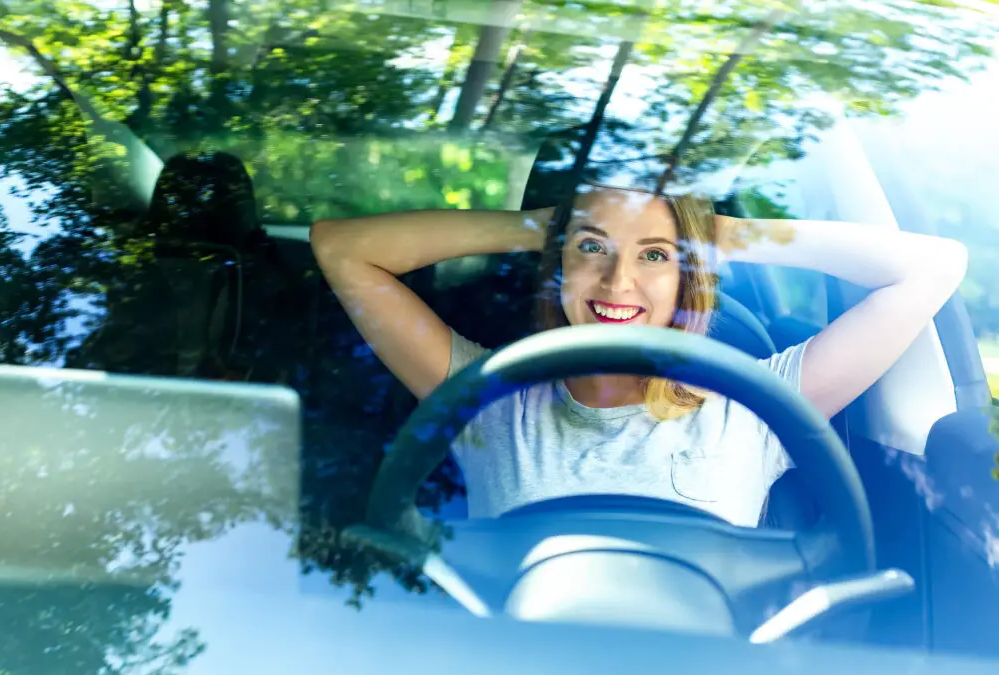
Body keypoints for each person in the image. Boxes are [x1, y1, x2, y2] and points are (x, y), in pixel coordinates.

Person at [309, 161, 967, 528]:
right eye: (592, 248)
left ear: (689, 277)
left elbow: (935, 268)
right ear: (557, 262)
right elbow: (341, 248)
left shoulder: (760, 408)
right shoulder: (489, 397)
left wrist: (723, 234)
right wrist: (539, 226)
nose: (616, 280)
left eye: (655, 255)